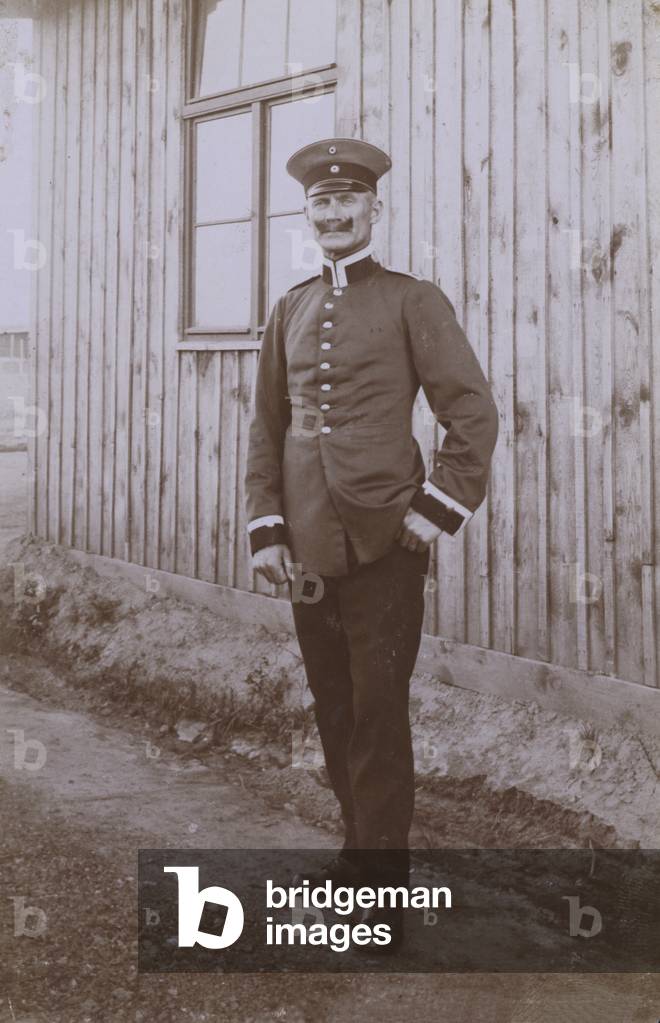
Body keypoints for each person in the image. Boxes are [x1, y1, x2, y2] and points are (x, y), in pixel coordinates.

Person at [245, 138, 499, 952]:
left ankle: (381, 888)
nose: (333, 212)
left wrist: (438, 508)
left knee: (379, 710)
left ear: (374, 210)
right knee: (333, 701)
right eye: (321, 202)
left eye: (348, 199)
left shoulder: (412, 301)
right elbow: (267, 430)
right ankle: (360, 856)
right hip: (308, 547)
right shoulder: (288, 308)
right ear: (308, 213)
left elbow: (473, 413)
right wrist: (266, 528)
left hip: (387, 543)